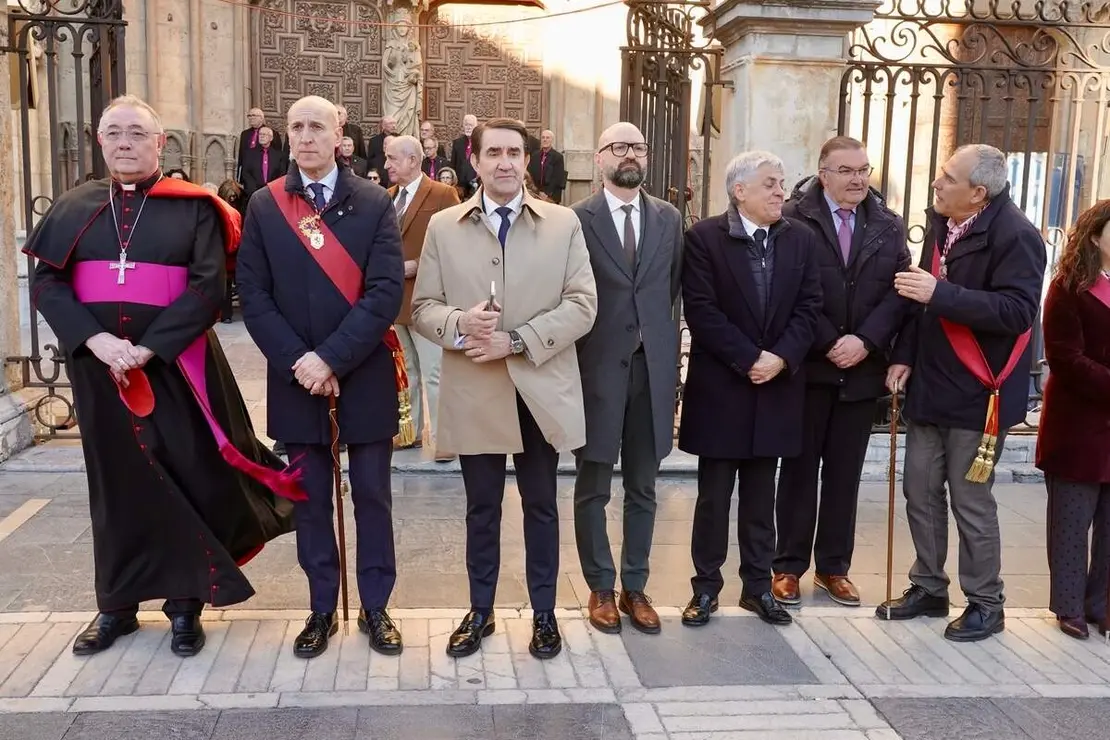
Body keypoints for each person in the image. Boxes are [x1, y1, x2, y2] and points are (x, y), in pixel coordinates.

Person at [23, 94, 298, 659]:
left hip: (176, 367)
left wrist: (147, 349)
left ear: (160, 143)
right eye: (115, 133)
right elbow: (47, 283)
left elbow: (208, 289)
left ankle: (183, 605)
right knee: (115, 482)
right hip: (99, 371)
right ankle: (116, 606)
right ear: (101, 142)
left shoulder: (195, 207)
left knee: (184, 472)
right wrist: (98, 342)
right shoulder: (74, 206)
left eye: (136, 134)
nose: (125, 143)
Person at [411, 117, 597, 660]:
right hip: (476, 388)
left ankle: (544, 614)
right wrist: (460, 323)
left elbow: (583, 304)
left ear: (527, 160)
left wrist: (516, 341)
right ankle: (480, 611)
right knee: (481, 507)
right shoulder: (445, 226)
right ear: (475, 159)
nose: (504, 162)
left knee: (541, 503)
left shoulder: (563, 224)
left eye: (514, 152)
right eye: (493, 152)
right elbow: (423, 308)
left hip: (539, 386)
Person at [236, 95, 407, 659]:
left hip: (362, 374)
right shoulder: (264, 205)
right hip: (295, 380)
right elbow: (253, 297)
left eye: (317, 126)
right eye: (295, 127)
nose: (305, 136)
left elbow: (384, 292)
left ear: (340, 135)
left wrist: (331, 358)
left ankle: (377, 606)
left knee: (373, 497)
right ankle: (321, 608)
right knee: (310, 500)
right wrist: (300, 362)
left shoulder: (375, 201)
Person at [878, 144, 1047, 642]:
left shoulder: (1017, 236)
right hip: (931, 382)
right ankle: (928, 585)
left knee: (969, 500)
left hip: (978, 390)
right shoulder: (942, 220)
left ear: (978, 193)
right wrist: (904, 354)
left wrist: (941, 294)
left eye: (947, 178)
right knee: (919, 490)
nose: (936, 183)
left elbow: (1017, 313)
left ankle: (985, 602)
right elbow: (917, 298)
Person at [677, 150, 822, 628]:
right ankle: (705, 588)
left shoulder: (800, 239)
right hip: (723, 389)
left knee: (763, 497)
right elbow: (701, 311)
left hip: (776, 388)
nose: (782, 191)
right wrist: (749, 358)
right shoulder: (704, 238)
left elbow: (810, 307)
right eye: (770, 184)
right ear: (739, 191)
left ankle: (757, 587)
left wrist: (780, 358)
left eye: (781, 182)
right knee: (713, 498)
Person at [773, 136, 911, 607]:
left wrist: (866, 341)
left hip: (860, 371)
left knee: (844, 474)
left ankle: (834, 568)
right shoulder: (794, 218)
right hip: (810, 368)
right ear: (823, 173)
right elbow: (787, 292)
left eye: (863, 169)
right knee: (798, 471)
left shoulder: (888, 226)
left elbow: (900, 292)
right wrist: (829, 340)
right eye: (846, 170)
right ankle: (788, 566)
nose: (857, 179)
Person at [570, 122, 682, 635]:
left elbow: (671, 290)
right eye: (617, 146)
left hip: (652, 372)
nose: (628, 153)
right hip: (596, 371)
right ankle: (600, 587)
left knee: (644, 486)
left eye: (637, 145)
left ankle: (636, 586)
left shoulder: (669, 218)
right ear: (599, 159)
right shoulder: (575, 220)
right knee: (593, 486)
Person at [1035, 199, 1110, 640]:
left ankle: (1101, 605)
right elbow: (1064, 357)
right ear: (1096, 237)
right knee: (1071, 521)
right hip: (1076, 424)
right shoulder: (1068, 287)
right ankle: (1069, 608)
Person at [384, 134, 461, 456]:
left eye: (393, 159)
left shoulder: (443, 194)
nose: (387, 165)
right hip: (394, 300)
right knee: (407, 372)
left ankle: (446, 438)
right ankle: (409, 432)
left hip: (428, 299)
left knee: (434, 371)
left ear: (413, 160)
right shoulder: (387, 197)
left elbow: (461, 241)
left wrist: (422, 264)